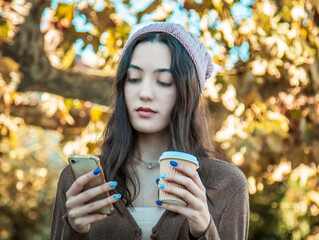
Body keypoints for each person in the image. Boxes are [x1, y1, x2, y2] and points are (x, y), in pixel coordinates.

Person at [51, 22, 249, 240]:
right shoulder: (80, 182)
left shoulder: (227, 184)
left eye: (163, 81)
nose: (144, 93)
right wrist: (74, 231)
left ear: (188, 93)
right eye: (134, 78)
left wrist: (203, 230)